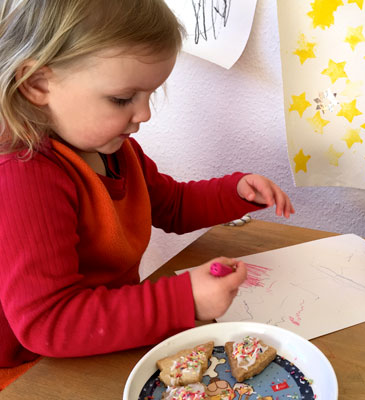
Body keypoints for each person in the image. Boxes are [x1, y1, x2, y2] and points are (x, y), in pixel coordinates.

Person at [0, 0, 295, 376]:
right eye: (123, 99)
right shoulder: (22, 176)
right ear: (37, 84)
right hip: (33, 370)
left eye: (150, 95)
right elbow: (50, 322)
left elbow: (169, 205)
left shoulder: (115, 149)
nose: (144, 114)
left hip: (107, 340)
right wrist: (183, 298)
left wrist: (233, 193)